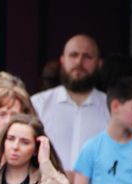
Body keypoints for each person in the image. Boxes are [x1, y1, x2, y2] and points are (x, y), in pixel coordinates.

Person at [32, 34, 110, 173]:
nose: (79, 62)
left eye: (87, 57)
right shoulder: (38, 104)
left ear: (100, 63)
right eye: (73, 55)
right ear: (62, 60)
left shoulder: (111, 107)